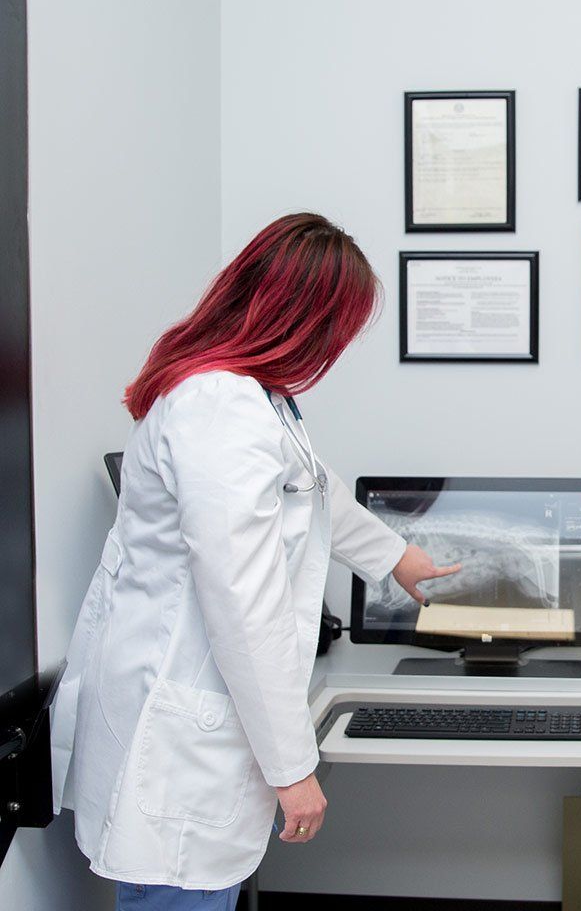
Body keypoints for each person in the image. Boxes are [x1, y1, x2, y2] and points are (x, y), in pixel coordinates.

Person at [49, 213, 461, 910]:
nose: (340, 345)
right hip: (178, 747)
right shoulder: (218, 406)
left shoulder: (254, 399)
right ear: (301, 318)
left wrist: (397, 559)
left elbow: (315, 490)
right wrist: (293, 768)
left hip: (198, 728)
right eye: (339, 327)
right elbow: (244, 603)